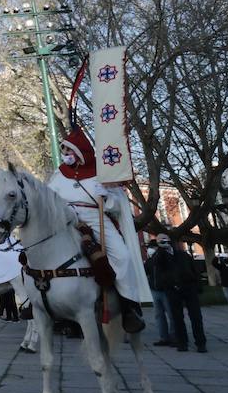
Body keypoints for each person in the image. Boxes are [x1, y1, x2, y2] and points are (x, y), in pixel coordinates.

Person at [46, 127, 150, 334]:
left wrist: (109, 197)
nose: (65, 155)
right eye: (64, 151)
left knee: (122, 256)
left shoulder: (101, 174)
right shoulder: (58, 175)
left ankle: (128, 304)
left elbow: (117, 207)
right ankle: (43, 303)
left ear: (79, 152)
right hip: (67, 220)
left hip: (95, 216)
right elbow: (49, 199)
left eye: (68, 151)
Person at [156, 236, 206, 352]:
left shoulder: (183, 255)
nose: (165, 243)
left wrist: (197, 285)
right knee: (177, 317)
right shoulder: (160, 257)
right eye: (162, 241)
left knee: (196, 316)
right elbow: (159, 272)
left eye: (166, 240)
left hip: (188, 287)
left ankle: (200, 343)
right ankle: (182, 342)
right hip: (172, 289)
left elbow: (194, 270)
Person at [144, 240, 174, 347]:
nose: (149, 249)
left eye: (151, 247)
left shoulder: (166, 257)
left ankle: (174, 337)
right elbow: (145, 271)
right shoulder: (150, 260)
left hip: (165, 290)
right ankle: (163, 337)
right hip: (155, 289)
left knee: (171, 314)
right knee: (159, 315)